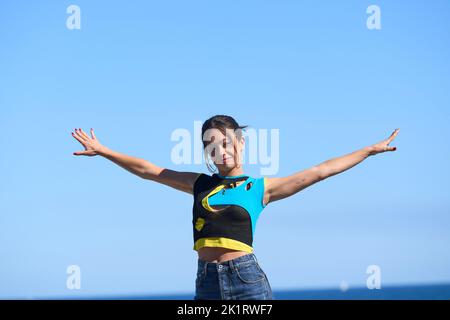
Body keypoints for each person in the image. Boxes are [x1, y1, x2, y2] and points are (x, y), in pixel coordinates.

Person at [71, 114, 399, 300]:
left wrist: (367, 151)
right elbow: (148, 170)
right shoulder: (198, 184)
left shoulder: (259, 189)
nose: (220, 151)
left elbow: (319, 171)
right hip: (206, 282)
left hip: (246, 281)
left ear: (240, 143)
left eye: (226, 143)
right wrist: (104, 150)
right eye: (211, 146)